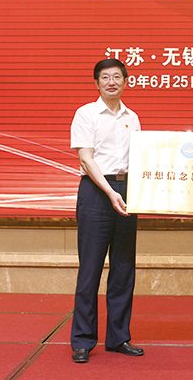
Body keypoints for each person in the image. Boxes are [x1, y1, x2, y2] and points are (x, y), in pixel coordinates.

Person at [69, 58, 144, 364]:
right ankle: (83, 340)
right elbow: (86, 159)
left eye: (117, 77)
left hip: (127, 192)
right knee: (90, 269)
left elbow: (140, 160)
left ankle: (118, 337)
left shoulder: (132, 117)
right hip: (96, 192)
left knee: (124, 268)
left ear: (126, 81)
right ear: (97, 83)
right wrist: (111, 192)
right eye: (105, 77)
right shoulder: (86, 114)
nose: (111, 82)